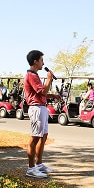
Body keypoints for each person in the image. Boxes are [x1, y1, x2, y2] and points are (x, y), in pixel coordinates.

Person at [24, 50, 60, 178]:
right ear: (35, 61)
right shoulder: (31, 75)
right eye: (41, 60)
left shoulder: (35, 75)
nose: (43, 63)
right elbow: (43, 92)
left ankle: (39, 164)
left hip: (41, 107)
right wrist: (49, 79)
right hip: (36, 108)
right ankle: (31, 168)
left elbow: (41, 93)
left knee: (43, 136)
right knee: (35, 137)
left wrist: (53, 95)